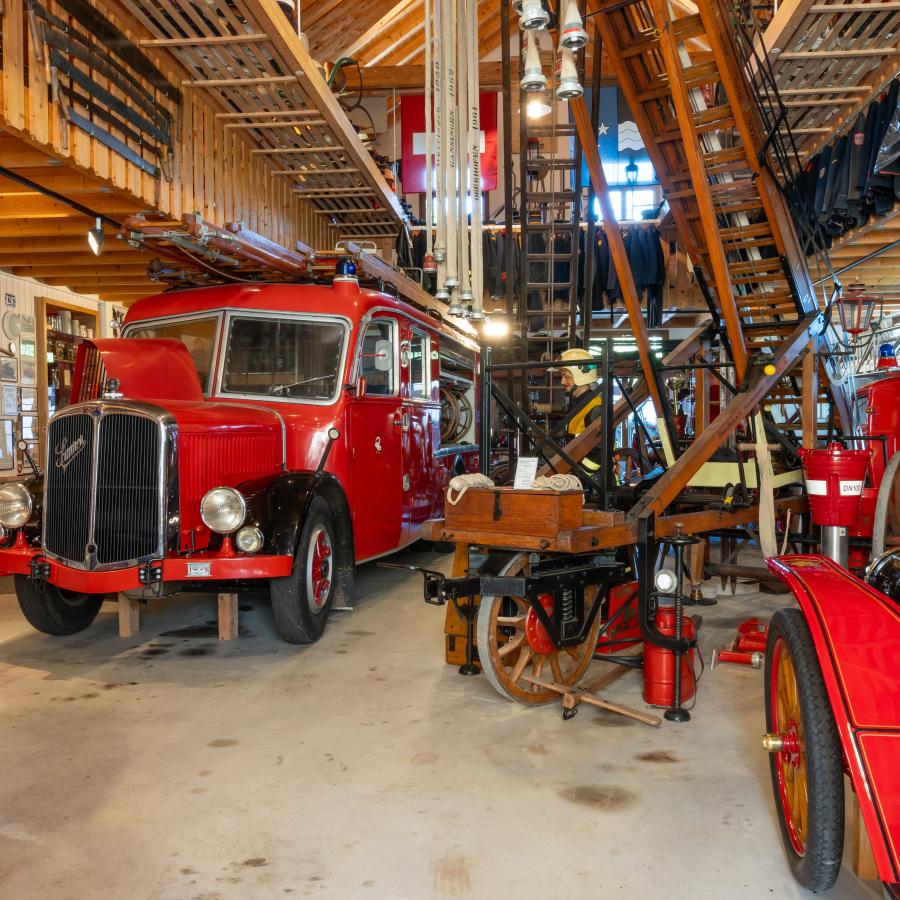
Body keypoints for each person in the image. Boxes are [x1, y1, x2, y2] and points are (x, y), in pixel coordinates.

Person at [554, 348, 603, 472]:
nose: (562, 381)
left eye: (566, 376)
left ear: (581, 378)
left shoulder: (595, 407)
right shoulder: (578, 404)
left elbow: (599, 455)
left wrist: (576, 476)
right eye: (562, 376)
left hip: (593, 485)